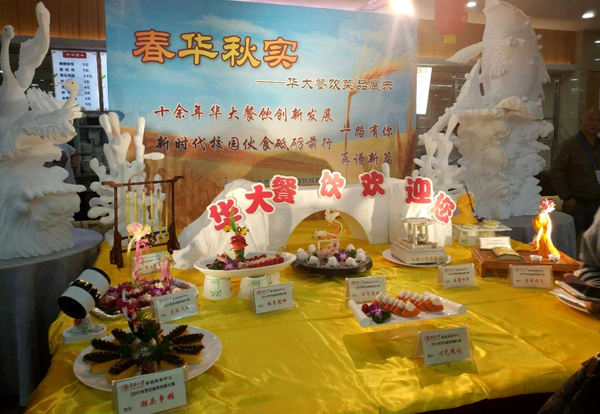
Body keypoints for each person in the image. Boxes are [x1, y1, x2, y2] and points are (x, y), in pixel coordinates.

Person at [549, 108, 600, 238]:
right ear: (581, 121)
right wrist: (567, 197)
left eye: (598, 120)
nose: (594, 123)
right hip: (577, 204)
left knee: (594, 243)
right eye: (590, 120)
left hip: (597, 204)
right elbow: (555, 172)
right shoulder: (569, 146)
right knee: (568, 239)